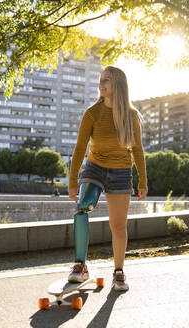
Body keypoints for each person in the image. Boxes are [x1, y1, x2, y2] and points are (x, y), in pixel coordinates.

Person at [67, 66, 148, 291]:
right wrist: (73, 182)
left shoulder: (131, 116)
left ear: (118, 85)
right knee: (82, 208)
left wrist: (143, 182)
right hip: (94, 167)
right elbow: (80, 148)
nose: (101, 84)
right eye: (100, 80)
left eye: (107, 81)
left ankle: (119, 272)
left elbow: (138, 150)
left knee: (118, 226)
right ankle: (80, 267)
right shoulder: (92, 113)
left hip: (121, 171)